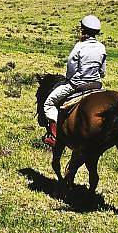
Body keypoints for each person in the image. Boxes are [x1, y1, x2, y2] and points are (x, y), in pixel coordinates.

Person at [42, 15, 106, 147]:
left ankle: (55, 136)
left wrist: (70, 79)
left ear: (83, 31)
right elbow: (102, 71)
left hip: (77, 84)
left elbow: (71, 69)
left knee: (48, 103)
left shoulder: (79, 46)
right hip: (97, 85)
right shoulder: (101, 47)